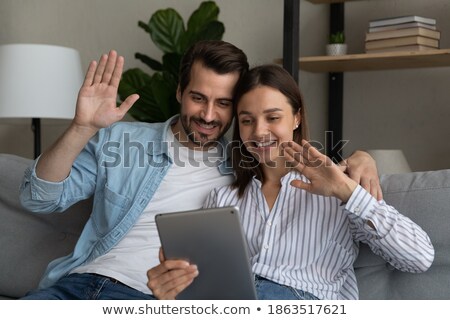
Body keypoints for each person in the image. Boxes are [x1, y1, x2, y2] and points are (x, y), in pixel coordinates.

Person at [20, 40, 381, 300]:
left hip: (152, 299)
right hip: (76, 285)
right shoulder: (121, 140)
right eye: (198, 97)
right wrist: (81, 128)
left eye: (223, 103)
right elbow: (39, 199)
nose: (208, 115)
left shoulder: (243, 166)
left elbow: (307, 165)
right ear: (179, 91)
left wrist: (363, 157)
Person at [147, 65, 434, 300]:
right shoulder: (222, 199)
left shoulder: (339, 189)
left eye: (273, 117)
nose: (259, 132)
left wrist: (347, 191)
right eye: (247, 120)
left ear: (296, 117)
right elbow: (208, 292)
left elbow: (419, 257)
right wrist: (174, 288)